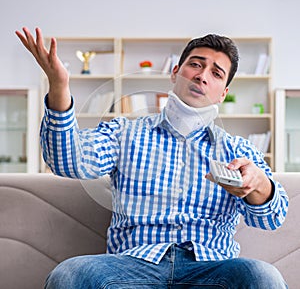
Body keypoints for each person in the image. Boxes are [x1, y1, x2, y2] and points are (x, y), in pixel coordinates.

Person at [16, 27, 288, 289]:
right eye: (195, 64)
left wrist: (259, 185)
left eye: (216, 74)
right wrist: (59, 86)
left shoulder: (239, 151)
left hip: (212, 267)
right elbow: (66, 161)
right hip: (132, 264)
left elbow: (271, 219)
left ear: (223, 93)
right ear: (176, 72)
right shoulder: (124, 132)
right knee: (70, 275)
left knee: (263, 277)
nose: (202, 76)